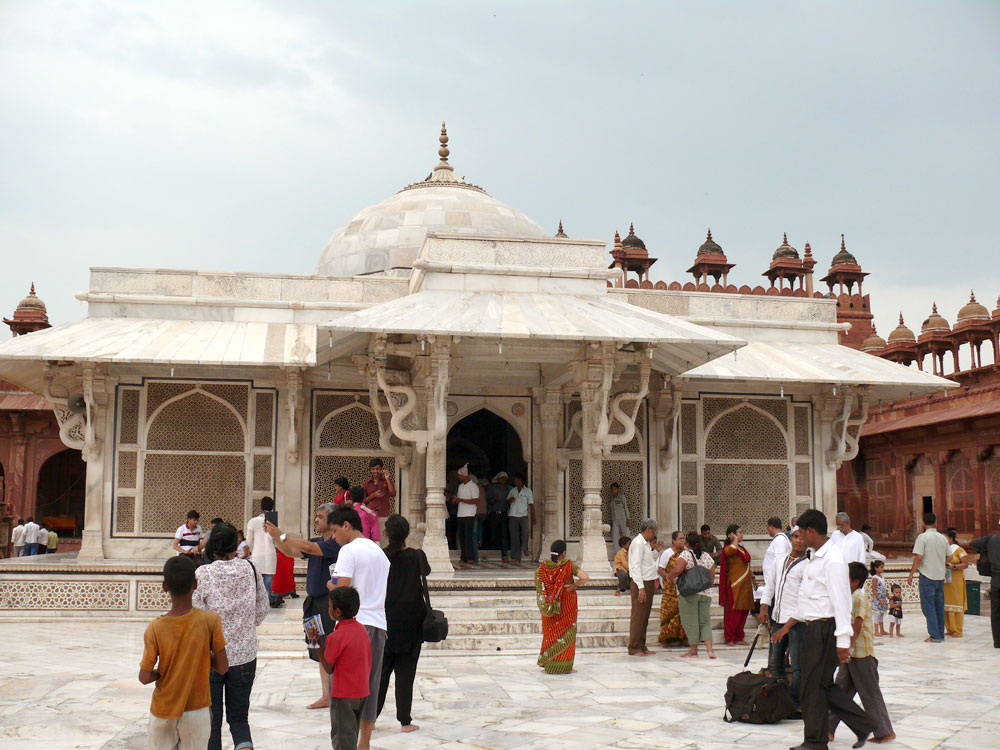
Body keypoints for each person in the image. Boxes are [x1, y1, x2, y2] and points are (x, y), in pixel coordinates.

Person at [782, 509, 874, 750]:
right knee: (821, 685)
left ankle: (815, 741)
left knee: (812, 686)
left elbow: (842, 600)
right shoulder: (817, 557)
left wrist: (843, 641)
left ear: (811, 532)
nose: (799, 539)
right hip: (814, 626)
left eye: (801, 534)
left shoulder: (833, 559)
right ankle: (863, 724)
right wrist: (789, 624)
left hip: (825, 628)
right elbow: (811, 599)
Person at [139, 555, 228, 750]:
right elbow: (222, 667)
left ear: (164, 586)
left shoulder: (155, 628)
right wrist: (203, 656)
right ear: (195, 585)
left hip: (163, 710)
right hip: (197, 711)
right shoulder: (210, 620)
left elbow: (144, 677)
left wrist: (160, 673)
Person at [193, 523, 268, 750]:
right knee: (239, 719)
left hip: (212, 657)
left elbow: (194, 614)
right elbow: (262, 609)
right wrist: (245, 625)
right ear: (236, 544)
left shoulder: (203, 573)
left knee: (211, 722)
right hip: (245, 656)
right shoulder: (251, 569)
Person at [265, 502, 341, 709]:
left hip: (328, 604)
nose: (316, 519)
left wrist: (282, 535)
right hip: (313, 604)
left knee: (329, 648)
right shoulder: (318, 541)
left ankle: (335, 694)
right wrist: (275, 537)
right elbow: (292, 552)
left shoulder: (334, 543)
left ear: (332, 521)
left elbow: (306, 547)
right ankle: (326, 695)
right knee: (318, 649)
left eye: (320, 516)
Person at [328, 504, 391, 750]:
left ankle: (346, 744)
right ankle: (364, 743)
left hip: (355, 626)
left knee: (344, 690)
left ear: (346, 525)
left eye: (334, 531)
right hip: (379, 625)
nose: (333, 537)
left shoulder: (349, 550)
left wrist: (330, 584)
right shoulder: (379, 553)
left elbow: (343, 590)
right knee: (370, 686)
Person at [829, 562, 896, 744]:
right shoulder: (849, 597)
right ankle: (827, 729)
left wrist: (846, 649)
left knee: (870, 694)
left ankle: (885, 731)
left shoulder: (860, 599)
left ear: (855, 581)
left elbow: (857, 626)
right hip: (851, 655)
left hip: (861, 655)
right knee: (840, 693)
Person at [377, 514, 428, 733]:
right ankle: (405, 721)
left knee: (380, 673)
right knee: (406, 673)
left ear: (387, 533)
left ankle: (369, 717)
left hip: (385, 621)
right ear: (407, 533)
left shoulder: (380, 556)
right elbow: (425, 572)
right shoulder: (417, 556)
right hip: (411, 622)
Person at [306, 587, 372, 750]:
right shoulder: (362, 630)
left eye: (329, 606)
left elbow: (328, 668)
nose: (328, 608)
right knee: (352, 734)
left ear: (337, 612)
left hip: (343, 695)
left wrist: (316, 643)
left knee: (342, 740)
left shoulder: (336, 637)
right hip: (361, 691)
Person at [763, 526, 808, 709]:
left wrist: (787, 627)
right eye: (795, 537)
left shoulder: (808, 566)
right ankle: (783, 698)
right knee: (775, 664)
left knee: (798, 667)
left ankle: (796, 704)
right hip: (778, 618)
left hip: (796, 623)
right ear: (790, 538)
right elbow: (770, 585)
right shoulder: (780, 560)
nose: (798, 541)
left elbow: (805, 601)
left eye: (802, 538)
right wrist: (764, 606)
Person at [536, 539, 590, 673]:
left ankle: (549, 664)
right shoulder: (569, 566)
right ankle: (564, 666)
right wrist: (574, 585)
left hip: (549, 607)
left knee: (550, 634)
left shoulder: (543, 568)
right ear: (564, 553)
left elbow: (540, 585)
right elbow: (585, 577)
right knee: (567, 633)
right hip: (567, 603)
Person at [667, 531, 717, 659]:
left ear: (688, 544)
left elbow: (678, 570)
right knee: (705, 622)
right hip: (705, 593)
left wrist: (670, 577)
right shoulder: (706, 556)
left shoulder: (686, 554)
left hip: (689, 593)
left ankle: (693, 651)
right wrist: (708, 586)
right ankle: (710, 650)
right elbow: (712, 573)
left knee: (691, 621)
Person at [907, 512, 948, 643]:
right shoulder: (943, 538)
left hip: (927, 576)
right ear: (935, 523)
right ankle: (940, 634)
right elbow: (950, 557)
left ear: (923, 523)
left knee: (928, 607)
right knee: (939, 606)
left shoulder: (922, 538)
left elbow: (918, 557)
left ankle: (934, 635)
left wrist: (911, 573)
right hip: (940, 577)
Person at [627, 518, 658, 656]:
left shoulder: (646, 544)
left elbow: (649, 562)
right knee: (638, 615)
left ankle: (641, 644)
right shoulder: (638, 543)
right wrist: (641, 587)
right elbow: (635, 566)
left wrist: (656, 551)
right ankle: (633, 647)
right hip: (641, 582)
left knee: (644, 616)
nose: (654, 534)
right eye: (654, 530)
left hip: (649, 581)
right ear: (648, 530)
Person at [720, 524, 753, 646]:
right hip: (734, 586)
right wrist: (733, 540)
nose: (742, 534)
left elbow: (747, 562)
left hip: (745, 587)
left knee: (743, 612)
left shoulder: (742, 549)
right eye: (739, 532)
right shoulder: (728, 548)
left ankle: (739, 636)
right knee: (733, 614)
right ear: (732, 534)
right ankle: (730, 637)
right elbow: (731, 551)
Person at [970, 522, 1000, 648]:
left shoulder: (991, 539)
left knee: (996, 611)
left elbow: (973, 544)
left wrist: (985, 550)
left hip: (996, 579)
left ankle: (998, 642)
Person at [245, 496, 278, 605]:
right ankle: (266, 605)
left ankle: (257, 604)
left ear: (261, 507)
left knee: (257, 582)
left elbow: (249, 542)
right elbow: (276, 539)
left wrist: (250, 550)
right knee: (268, 584)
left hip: (257, 554)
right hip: (270, 554)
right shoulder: (273, 521)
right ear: (272, 507)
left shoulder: (253, 521)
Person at [657, 531, 687, 647]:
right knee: (667, 613)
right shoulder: (667, 553)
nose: (682, 541)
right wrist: (669, 578)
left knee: (683, 613)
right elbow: (660, 569)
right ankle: (665, 639)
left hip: (683, 588)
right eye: (680, 539)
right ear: (674, 541)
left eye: (684, 539)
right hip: (670, 589)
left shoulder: (686, 553)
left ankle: (683, 637)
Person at [943, 527, 969, 637]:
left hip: (956, 580)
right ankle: (949, 628)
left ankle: (958, 630)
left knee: (956, 603)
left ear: (951, 538)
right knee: (946, 604)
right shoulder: (943, 549)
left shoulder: (959, 550)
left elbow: (965, 564)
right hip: (946, 581)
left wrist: (954, 566)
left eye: (945, 538)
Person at [362, 457, 395, 540]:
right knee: (369, 538)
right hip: (369, 514)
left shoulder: (386, 481)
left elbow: (393, 493)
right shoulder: (366, 483)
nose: (375, 471)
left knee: (383, 539)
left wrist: (387, 479)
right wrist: (374, 495)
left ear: (381, 469)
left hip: (383, 514)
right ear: (370, 470)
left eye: (377, 469)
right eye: (373, 469)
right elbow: (363, 501)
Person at [507, 472, 535, 563]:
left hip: (523, 515)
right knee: (514, 536)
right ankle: (516, 556)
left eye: (516, 479)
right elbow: (506, 501)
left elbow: (531, 504)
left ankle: (524, 548)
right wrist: (510, 500)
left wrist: (533, 517)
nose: (514, 481)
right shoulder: (512, 490)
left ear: (520, 480)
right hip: (513, 515)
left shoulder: (527, 491)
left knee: (525, 533)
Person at [454, 465, 478, 565]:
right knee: (462, 536)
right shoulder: (460, 486)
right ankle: (463, 557)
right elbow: (459, 500)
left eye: (459, 475)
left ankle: (470, 557)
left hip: (469, 514)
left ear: (464, 475)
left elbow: (475, 500)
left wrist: (460, 500)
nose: (458, 477)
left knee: (468, 536)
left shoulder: (473, 486)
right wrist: (456, 500)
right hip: (461, 514)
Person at [486, 472, 511, 562]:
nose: (503, 480)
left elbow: (514, 499)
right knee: (493, 533)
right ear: (499, 479)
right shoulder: (493, 489)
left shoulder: (510, 489)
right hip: (494, 513)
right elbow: (488, 500)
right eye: (501, 478)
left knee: (504, 534)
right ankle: (493, 551)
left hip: (504, 513)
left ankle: (504, 555)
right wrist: (494, 499)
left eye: (505, 478)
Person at [869, 560, 889, 637]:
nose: (882, 569)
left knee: (881, 614)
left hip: (883, 598)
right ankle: (876, 631)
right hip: (878, 599)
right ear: (876, 568)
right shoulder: (875, 578)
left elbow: (884, 588)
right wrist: (879, 599)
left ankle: (882, 630)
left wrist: (888, 596)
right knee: (877, 614)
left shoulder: (882, 577)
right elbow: (873, 589)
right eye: (881, 567)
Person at [608, 482, 629, 548]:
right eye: (611, 489)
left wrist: (628, 519)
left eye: (614, 489)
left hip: (623, 518)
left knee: (626, 536)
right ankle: (618, 554)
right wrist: (611, 521)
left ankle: (628, 553)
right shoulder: (611, 498)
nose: (613, 491)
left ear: (617, 489)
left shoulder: (622, 497)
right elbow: (611, 510)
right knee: (615, 536)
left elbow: (625, 508)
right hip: (615, 520)